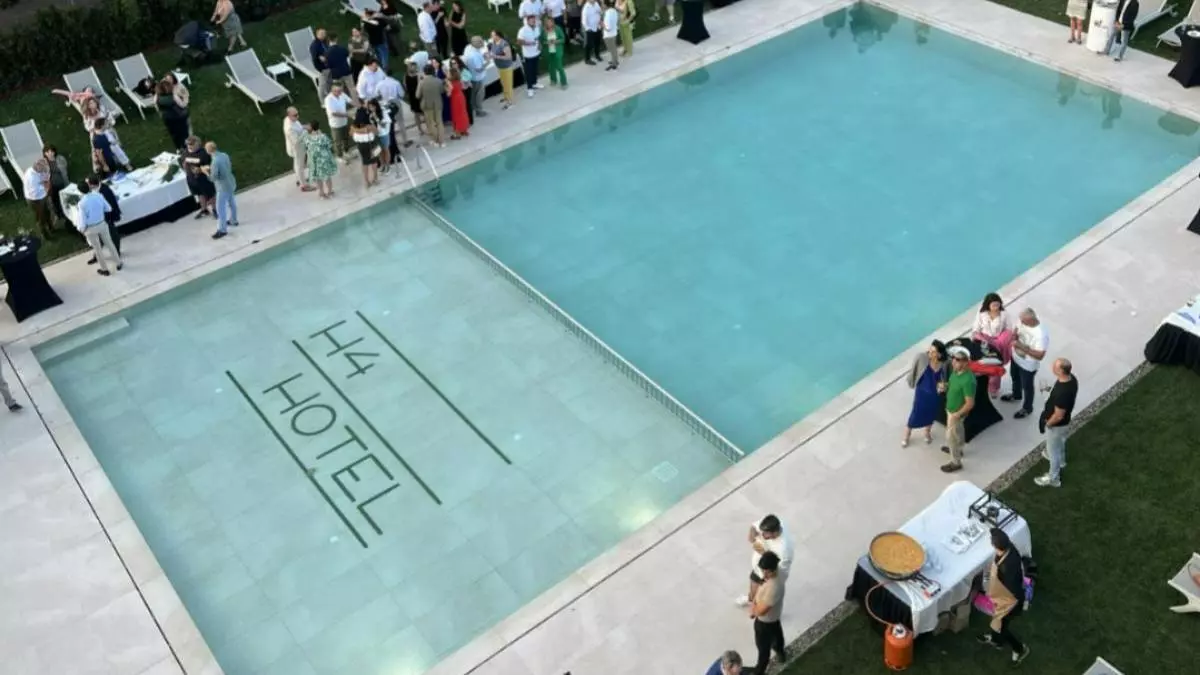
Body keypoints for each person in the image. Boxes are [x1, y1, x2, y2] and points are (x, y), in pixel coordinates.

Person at [977, 529, 1031, 665]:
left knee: (1001, 626)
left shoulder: (1008, 567)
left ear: (997, 547)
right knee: (997, 622)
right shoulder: (1009, 548)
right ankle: (996, 640)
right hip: (1006, 598)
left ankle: (1019, 649)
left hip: (1010, 602)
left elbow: (1007, 589)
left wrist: (992, 592)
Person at [1034, 358, 1077, 488]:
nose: (1052, 367)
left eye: (1055, 366)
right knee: (1059, 444)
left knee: (1053, 452)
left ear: (1061, 371)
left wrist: (1048, 424)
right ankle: (1062, 461)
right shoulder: (1071, 379)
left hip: (1056, 426)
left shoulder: (1062, 393)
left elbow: (1058, 416)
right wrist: (1049, 389)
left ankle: (1054, 478)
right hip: (1063, 424)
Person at [736, 515, 794, 607]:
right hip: (759, 567)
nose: (762, 535)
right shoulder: (773, 522)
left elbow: (780, 572)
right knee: (753, 586)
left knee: (762, 597)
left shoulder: (784, 551)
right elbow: (754, 526)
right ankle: (751, 599)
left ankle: (756, 605)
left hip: (767, 575)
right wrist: (752, 538)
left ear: (775, 533)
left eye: (766, 533)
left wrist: (764, 553)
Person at [1001, 308, 1049, 420]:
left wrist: (1021, 347)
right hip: (1016, 358)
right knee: (1014, 377)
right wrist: (1014, 336)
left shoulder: (1041, 335)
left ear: (1031, 320)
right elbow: (1016, 329)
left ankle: (1027, 408)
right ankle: (1016, 395)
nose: (1021, 322)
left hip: (1028, 365)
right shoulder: (1022, 320)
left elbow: (1040, 355)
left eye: (1023, 321)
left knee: (1027, 387)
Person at [903, 340, 947, 447]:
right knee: (915, 414)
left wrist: (943, 386)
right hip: (921, 393)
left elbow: (943, 379)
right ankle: (906, 436)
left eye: (933, 351)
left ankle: (927, 432)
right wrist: (911, 381)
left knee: (931, 414)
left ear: (939, 354)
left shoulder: (943, 365)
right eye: (930, 350)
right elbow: (914, 370)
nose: (929, 352)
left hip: (934, 395)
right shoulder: (922, 358)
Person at [73, 179, 121, 275]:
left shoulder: (81, 203)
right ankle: (118, 263)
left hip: (91, 228)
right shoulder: (99, 195)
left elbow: (82, 220)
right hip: (102, 224)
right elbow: (108, 208)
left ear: (80, 191)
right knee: (110, 244)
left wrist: (81, 229)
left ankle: (105, 269)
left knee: (97, 249)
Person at [749, 552, 786, 675]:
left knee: (763, 650)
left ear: (773, 568)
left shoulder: (774, 588)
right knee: (777, 635)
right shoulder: (778, 573)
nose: (764, 574)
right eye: (763, 571)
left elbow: (761, 611)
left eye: (767, 572)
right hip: (774, 618)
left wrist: (753, 610)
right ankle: (780, 652)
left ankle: (759, 671)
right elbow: (762, 584)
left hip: (764, 622)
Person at [940, 345, 976, 473]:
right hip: (951, 409)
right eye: (953, 358)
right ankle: (959, 450)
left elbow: (970, 403)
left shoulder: (968, 381)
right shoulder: (956, 372)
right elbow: (952, 384)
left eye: (958, 360)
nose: (954, 362)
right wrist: (945, 386)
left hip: (956, 413)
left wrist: (957, 414)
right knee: (958, 432)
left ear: (966, 362)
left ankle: (956, 462)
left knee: (951, 437)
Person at [972, 292, 1013, 397]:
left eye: (998, 305)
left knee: (995, 366)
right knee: (983, 366)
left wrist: (998, 343)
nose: (996, 307)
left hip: (998, 344)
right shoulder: (981, 313)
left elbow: (1008, 330)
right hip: (984, 342)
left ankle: (993, 389)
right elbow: (976, 328)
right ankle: (981, 385)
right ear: (988, 305)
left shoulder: (1004, 314)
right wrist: (979, 338)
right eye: (993, 305)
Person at [203, 141, 238, 239]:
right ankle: (233, 220)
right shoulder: (224, 155)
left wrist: (206, 172)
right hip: (230, 182)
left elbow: (213, 178)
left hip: (222, 187)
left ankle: (222, 230)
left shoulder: (215, 161)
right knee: (232, 202)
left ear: (208, 150)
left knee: (220, 208)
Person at [89, 174, 122, 263]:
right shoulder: (94, 190)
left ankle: (117, 252)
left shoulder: (105, 191)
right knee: (98, 238)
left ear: (93, 185)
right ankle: (97, 255)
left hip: (108, 217)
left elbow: (110, 206)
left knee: (113, 235)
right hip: (99, 218)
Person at [182, 135, 215, 219]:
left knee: (210, 194)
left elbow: (209, 165)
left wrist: (200, 169)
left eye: (191, 144)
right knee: (199, 194)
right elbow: (184, 162)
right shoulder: (185, 153)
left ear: (197, 143)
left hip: (203, 178)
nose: (189, 146)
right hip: (192, 178)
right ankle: (204, 210)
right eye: (188, 144)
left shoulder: (204, 153)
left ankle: (215, 210)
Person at [23, 159, 57, 239]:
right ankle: (45, 235)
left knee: (47, 212)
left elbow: (46, 176)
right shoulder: (32, 178)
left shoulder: (37, 170)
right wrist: (46, 184)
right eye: (42, 169)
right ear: (37, 167)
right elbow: (42, 189)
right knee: (41, 218)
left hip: (41, 196)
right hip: (35, 200)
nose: (43, 170)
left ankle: (51, 227)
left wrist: (45, 179)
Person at [303, 120, 338, 199]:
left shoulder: (307, 138)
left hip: (314, 160)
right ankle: (330, 192)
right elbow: (329, 145)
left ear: (311, 128)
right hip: (324, 160)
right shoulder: (323, 136)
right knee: (327, 176)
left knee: (318, 177)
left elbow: (306, 147)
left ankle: (321, 193)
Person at [376, 72, 412, 148]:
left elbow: (376, 94)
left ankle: (391, 142)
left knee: (389, 123)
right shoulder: (396, 82)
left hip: (385, 103)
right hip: (395, 102)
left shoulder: (379, 84)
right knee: (400, 122)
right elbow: (402, 94)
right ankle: (405, 141)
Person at [283, 107, 313, 192]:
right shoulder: (289, 128)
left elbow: (298, 127)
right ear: (289, 116)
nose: (298, 116)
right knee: (300, 166)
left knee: (297, 165)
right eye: (295, 115)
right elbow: (296, 141)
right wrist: (306, 132)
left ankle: (299, 179)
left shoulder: (290, 120)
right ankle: (304, 185)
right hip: (297, 149)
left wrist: (304, 127)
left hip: (299, 148)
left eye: (297, 114)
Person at [324, 83, 356, 161]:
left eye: (341, 90)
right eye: (338, 91)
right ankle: (339, 156)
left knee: (346, 138)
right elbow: (333, 113)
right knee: (337, 141)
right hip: (335, 124)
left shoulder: (342, 94)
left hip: (344, 122)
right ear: (333, 90)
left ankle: (346, 152)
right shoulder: (328, 99)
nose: (340, 92)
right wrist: (347, 115)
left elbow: (351, 101)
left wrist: (359, 107)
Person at [417, 63, 447, 146]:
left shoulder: (422, 82)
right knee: (439, 122)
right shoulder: (438, 80)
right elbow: (442, 91)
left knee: (431, 123)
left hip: (427, 105)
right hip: (438, 104)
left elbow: (417, 95)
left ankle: (435, 141)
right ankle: (442, 141)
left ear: (424, 72)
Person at [326, 33, 360, 104]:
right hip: (346, 71)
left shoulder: (327, 52)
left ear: (328, 40)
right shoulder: (342, 48)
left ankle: (342, 104)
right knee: (352, 88)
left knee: (339, 90)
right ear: (336, 39)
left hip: (336, 74)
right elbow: (349, 55)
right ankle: (357, 103)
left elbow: (328, 65)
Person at [156, 80, 190, 151]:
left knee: (174, 134)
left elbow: (158, 108)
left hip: (167, 118)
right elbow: (182, 105)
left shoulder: (157, 98)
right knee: (184, 133)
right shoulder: (174, 97)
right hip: (179, 117)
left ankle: (178, 148)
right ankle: (186, 147)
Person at [351, 108, 380, 187]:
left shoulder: (354, 126)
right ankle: (375, 179)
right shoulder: (369, 126)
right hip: (371, 145)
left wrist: (358, 131)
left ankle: (366, 181)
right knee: (373, 162)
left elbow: (351, 134)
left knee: (365, 163)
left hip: (361, 145)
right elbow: (377, 132)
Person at [463, 36, 490, 117]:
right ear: (475, 43)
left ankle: (474, 108)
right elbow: (478, 69)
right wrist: (487, 63)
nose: (482, 43)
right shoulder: (474, 55)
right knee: (479, 95)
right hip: (478, 78)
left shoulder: (469, 49)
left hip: (473, 77)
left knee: (474, 94)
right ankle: (479, 110)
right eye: (480, 42)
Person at [43, 145, 70, 224]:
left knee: (64, 199)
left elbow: (65, 167)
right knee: (55, 201)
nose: (50, 153)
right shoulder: (44, 162)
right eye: (48, 152)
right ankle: (59, 214)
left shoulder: (60, 159)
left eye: (52, 151)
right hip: (52, 186)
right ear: (45, 153)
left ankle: (66, 213)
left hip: (62, 183)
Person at [366, 99, 394, 170]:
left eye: (372, 106)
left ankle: (388, 166)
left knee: (386, 150)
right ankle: (382, 165)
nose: (371, 108)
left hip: (384, 134)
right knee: (379, 151)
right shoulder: (370, 116)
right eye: (370, 107)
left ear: (376, 106)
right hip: (376, 135)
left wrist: (376, 118)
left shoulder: (383, 112)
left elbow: (383, 125)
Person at [490, 30, 516, 109]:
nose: (491, 37)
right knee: (503, 83)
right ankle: (505, 97)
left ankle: (510, 102)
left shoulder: (504, 44)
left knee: (508, 85)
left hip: (506, 67)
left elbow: (508, 57)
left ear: (498, 36)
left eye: (493, 35)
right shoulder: (494, 43)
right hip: (500, 67)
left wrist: (495, 56)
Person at [518, 15, 543, 97]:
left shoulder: (536, 28)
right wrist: (528, 43)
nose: (533, 22)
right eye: (531, 21)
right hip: (528, 55)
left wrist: (539, 45)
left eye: (534, 20)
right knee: (529, 72)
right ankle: (529, 88)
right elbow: (519, 42)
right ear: (528, 21)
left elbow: (537, 38)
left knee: (535, 70)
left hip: (536, 53)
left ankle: (534, 83)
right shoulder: (523, 30)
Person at [541, 15, 568, 88]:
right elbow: (542, 41)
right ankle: (553, 80)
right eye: (547, 22)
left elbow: (563, 39)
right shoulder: (543, 30)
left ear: (553, 22)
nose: (549, 23)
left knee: (559, 66)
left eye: (550, 22)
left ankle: (564, 82)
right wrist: (546, 42)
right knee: (551, 66)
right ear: (545, 23)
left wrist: (556, 41)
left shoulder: (558, 28)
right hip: (548, 51)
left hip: (557, 50)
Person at [404, 60, 427, 136]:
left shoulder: (406, 76)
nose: (414, 68)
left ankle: (421, 129)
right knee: (422, 113)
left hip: (413, 97)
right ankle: (424, 128)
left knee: (418, 114)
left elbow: (405, 86)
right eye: (413, 67)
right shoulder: (418, 75)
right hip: (418, 96)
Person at [447, 63, 471, 138]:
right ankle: (464, 130)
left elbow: (449, 94)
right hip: (461, 97)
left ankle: (457, 132)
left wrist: (446, 89)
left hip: (455, 99)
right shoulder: (460, 80)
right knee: (463, 112)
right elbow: (464, 87)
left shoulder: (450, 82)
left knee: (456, 115)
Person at [311, 28, 332, 98]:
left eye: (324, 33)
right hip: (322, 68)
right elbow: (314, 58)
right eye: (322, 34)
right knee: (322, 85)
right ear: (317, 35)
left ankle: (330, 96)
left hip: (329, 66)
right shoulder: (314, 45)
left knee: (329, 82)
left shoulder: (324, 42)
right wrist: (320, 58)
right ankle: (322, 101)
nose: (324, 35)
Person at [583, 0, 604, 64]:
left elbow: (600, 12)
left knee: (597, 43)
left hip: (597, 27)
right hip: (590, 29)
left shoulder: (596, 4)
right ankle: (587, 59)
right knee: (589, 45)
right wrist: (588, 29)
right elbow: (584, 21)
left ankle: (597, 55)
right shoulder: (586, 8)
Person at [602, 0, 621, 70]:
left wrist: (602, 24)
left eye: (603, 4)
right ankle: (614, 60)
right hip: (614, 33)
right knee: (613, 49)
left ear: (605, 5)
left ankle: (614, 63)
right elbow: (617, 21)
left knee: (612, 49)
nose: (602, 6)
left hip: (608, 35)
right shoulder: (614, 11)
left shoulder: (608, 14)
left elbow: (608, 28)